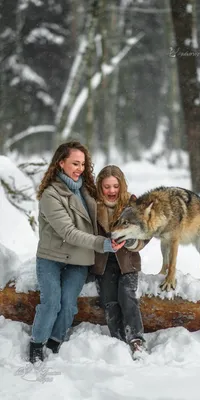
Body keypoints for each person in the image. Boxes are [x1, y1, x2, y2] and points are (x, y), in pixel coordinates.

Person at [29, 142, 124, 363]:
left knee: (69, 304)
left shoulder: (86, 189)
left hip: (79, 259)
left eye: (82, 163)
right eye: (75, 163)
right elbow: (68, 232)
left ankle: (54, 342)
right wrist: (103, 244)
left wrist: (128, 202)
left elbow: (110, 202)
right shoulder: (50, 195)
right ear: (61, 163)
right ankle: (36, 344)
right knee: (52, 302)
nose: (79, 168)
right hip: (51, 258)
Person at [91, 165, 148, 358]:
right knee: (109, 300)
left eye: (115, 186)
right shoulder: (93, 206)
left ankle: (136, 339)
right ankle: (118, 340)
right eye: (107, 186)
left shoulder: (132, 204)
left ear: (121, 185)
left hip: (127, 260)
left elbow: (145, 233)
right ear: (100, 187)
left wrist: (131, 241)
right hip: (103, 262)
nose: (111, 191)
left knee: (127, 294)